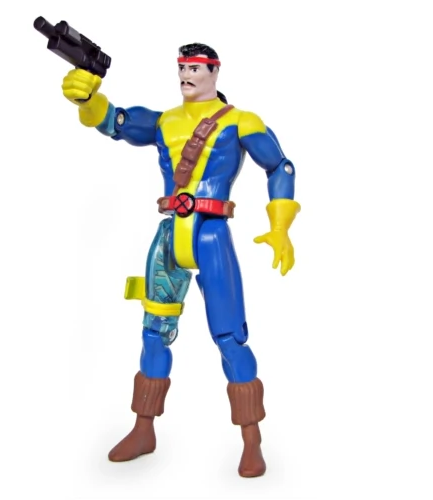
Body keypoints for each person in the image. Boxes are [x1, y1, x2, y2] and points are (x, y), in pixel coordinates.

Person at [61, 42, 300, 478]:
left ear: (214, 71)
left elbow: (279, 166)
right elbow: (116, 122)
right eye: (182, 67)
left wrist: (280, 224)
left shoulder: (240, 121)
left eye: (195, 67)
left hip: (211, 235)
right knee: (153, 331)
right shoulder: (166, 121)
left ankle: (251, 440)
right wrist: (88, 98)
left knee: (230, 337)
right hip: (171, 233)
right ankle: (143, 429)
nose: (187, 74)